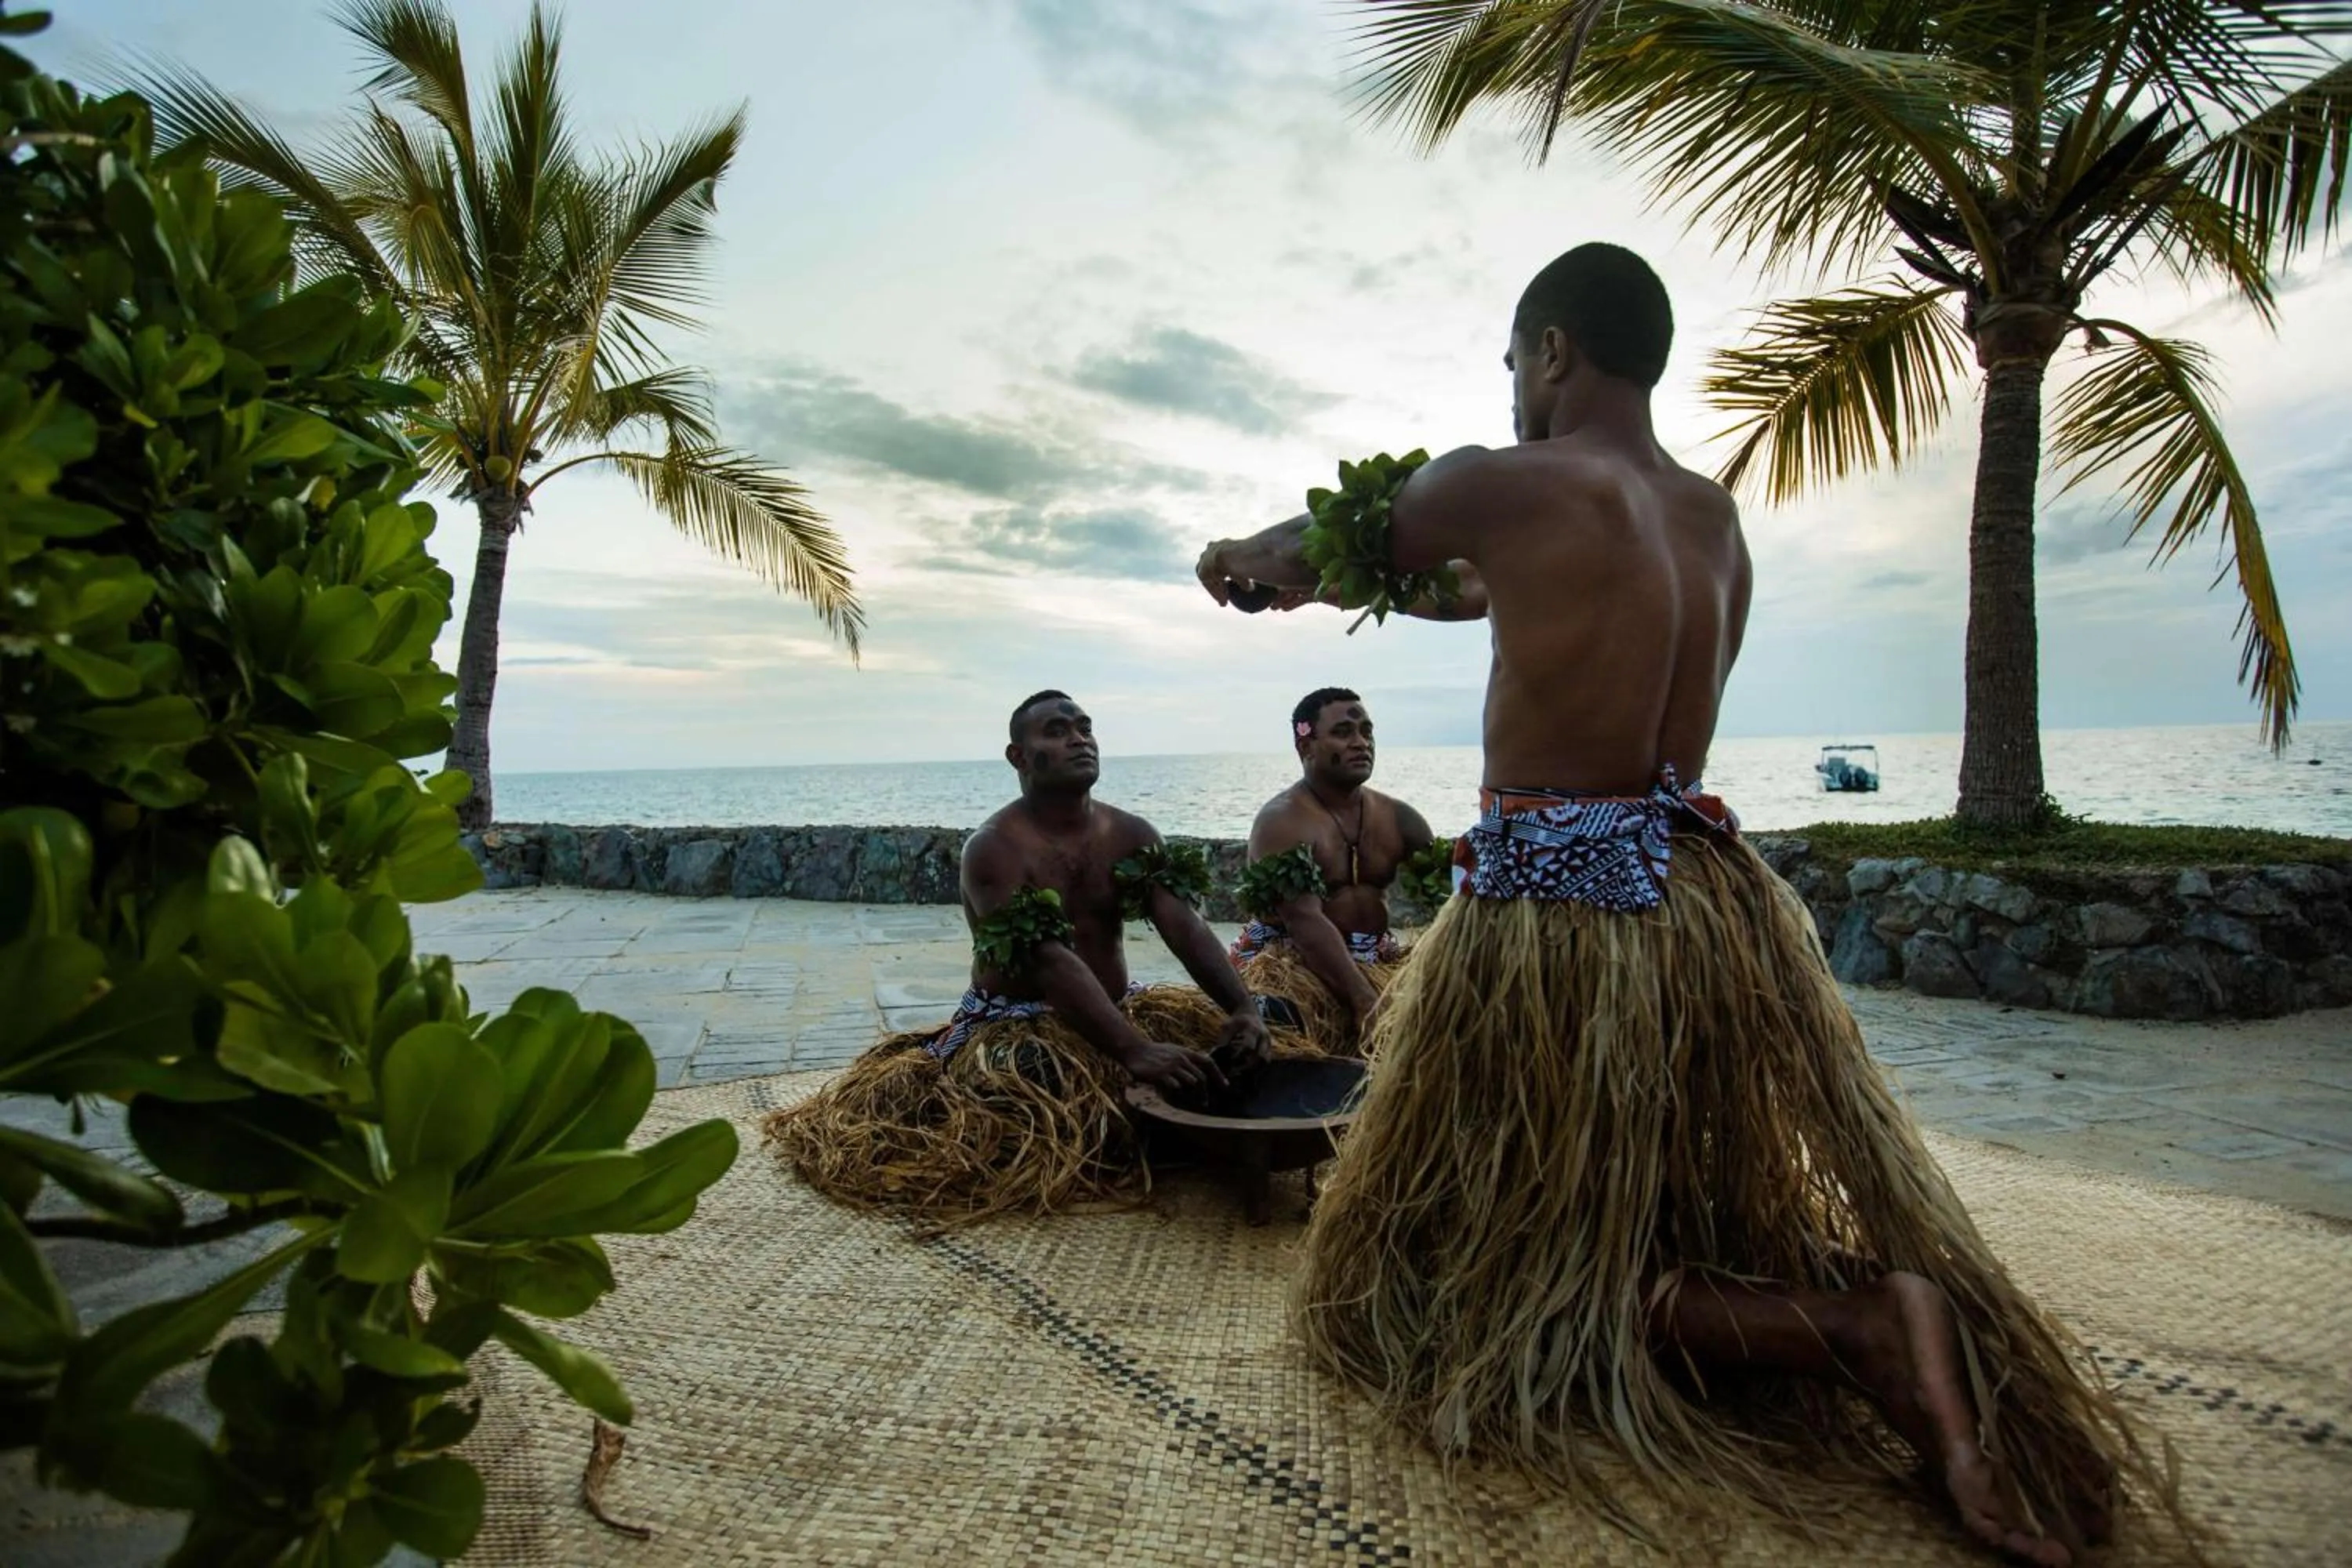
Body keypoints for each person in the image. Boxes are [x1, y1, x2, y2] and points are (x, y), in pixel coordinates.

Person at [1192, 244, 2169, 1565]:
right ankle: (1828, 1315)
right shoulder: (1712, 518)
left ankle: (1864, 1328)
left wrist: (1244, 558)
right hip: (1700, 904)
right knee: (1616, 1198)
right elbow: (1486, 592)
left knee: (1477, 1280)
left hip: (1562, 914)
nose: (1515, 393)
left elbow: (1323, 548)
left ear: (1551, 353)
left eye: (1513, 366)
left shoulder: (1500, 478)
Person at [764, 690, 1272, 1225]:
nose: (1079, 738)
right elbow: (1047, 961)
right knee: (1048, 1107)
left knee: (1245, 1048)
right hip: (1020, 1026)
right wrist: (1135, 1050)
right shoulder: (995, 849)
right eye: (1056, 731)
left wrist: (1241, 1008)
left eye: (1084, 726)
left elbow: (1184, 925)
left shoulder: (1132, 835)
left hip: (1120, 1008)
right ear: (1019, 757)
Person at [1231, 687, 1434, 1052]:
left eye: (1367, 732)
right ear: (1305, 746)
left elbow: (1447, 894)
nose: (1361, 742)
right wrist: (1365, 1001)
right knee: (1277, 1025)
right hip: (1290, 960)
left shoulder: (1400, 818)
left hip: (1375, 955)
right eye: (1343, 732)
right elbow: (1303, 920)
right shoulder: (1283, 821)